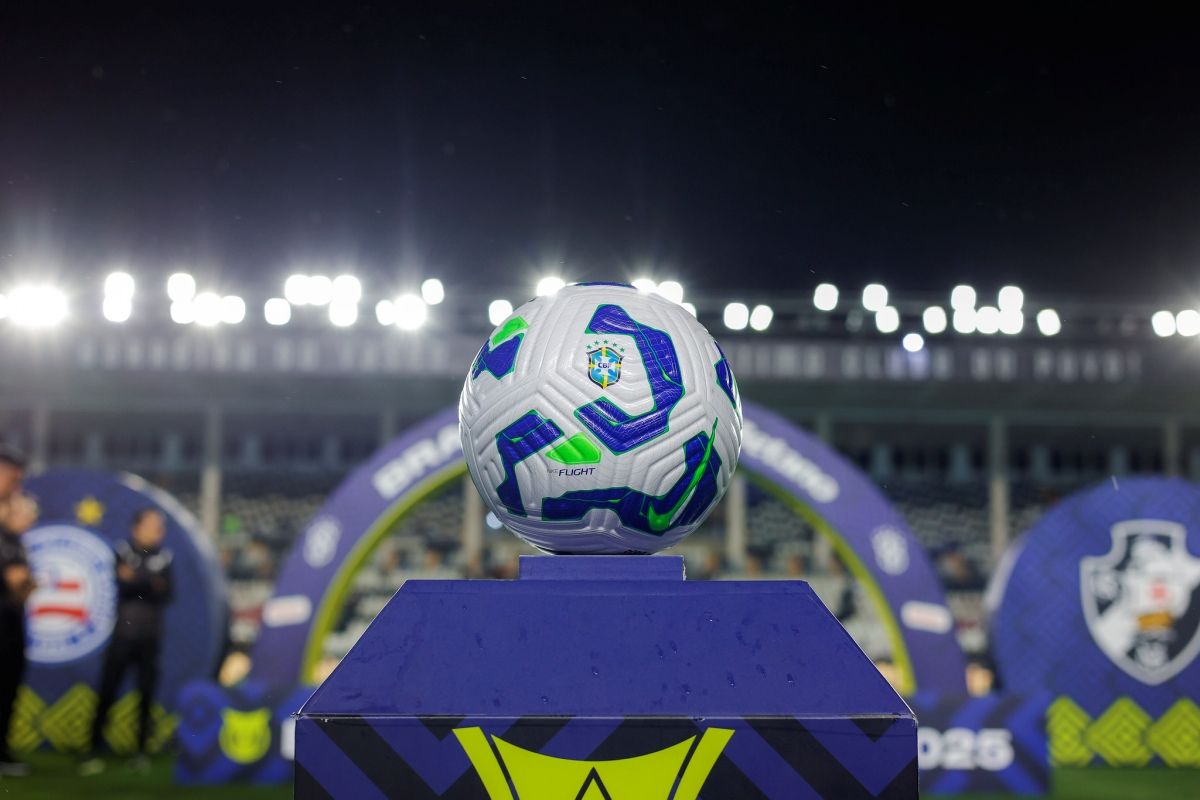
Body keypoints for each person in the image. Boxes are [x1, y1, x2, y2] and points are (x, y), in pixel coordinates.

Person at [79, 508, 173, 776]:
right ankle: (92, 749)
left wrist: (137, 580)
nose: (159, 531)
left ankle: (140, 750)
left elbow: (166, 592)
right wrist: (149, 583)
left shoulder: (164, 555)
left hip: (150, 637)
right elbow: (127, 585)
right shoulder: (122, 550)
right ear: (137, 527)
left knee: (146, 695)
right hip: (123, 635)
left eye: (160, 526)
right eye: (154, 525)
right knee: (107, 692)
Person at [0, 444, 35, 778]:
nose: (16, 485)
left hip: (9, 623)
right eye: (12, 477)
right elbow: (19, 584)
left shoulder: (12, 534)